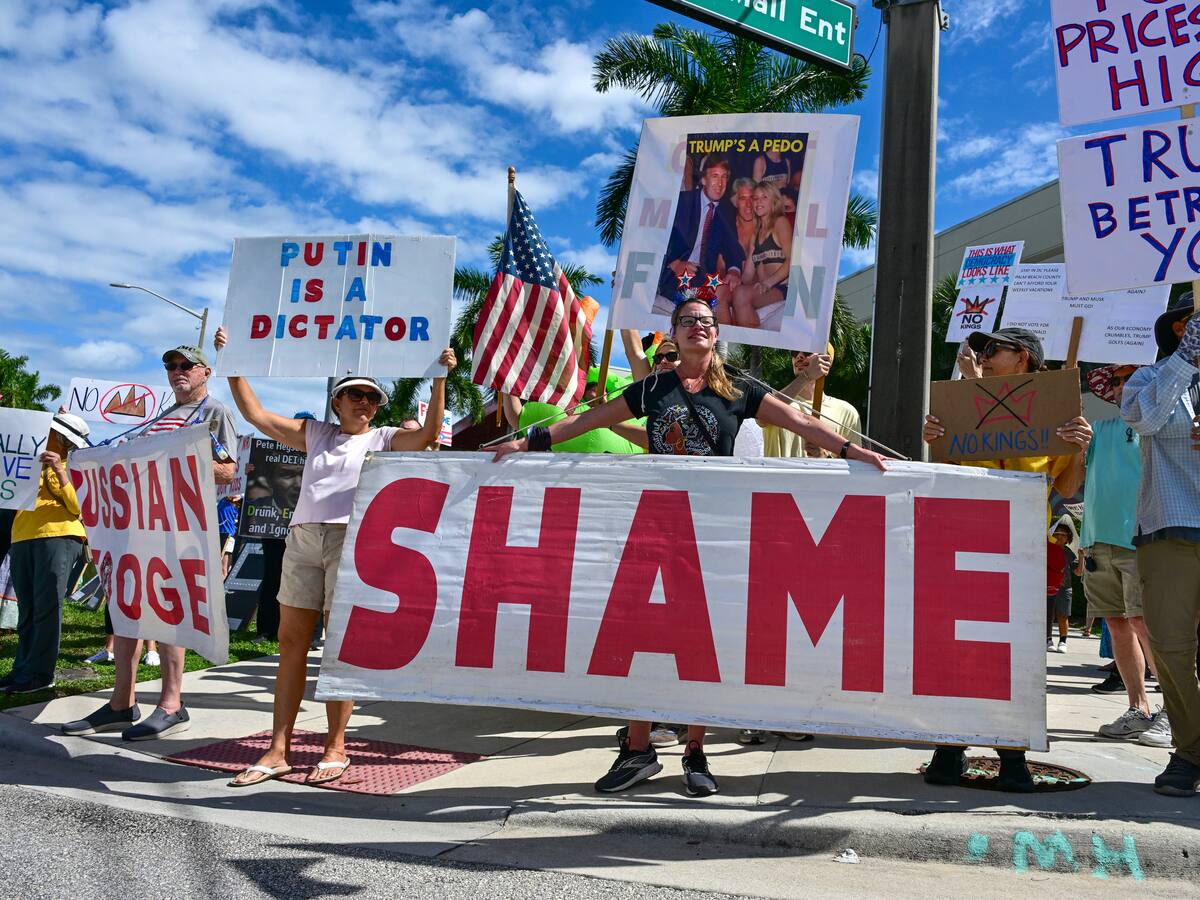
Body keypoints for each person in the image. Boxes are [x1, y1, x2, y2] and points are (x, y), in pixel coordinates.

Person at [494, 298, 889, 796]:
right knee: (639, 639)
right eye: (688, 321)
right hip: (658, 529)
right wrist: (526, 442)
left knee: (703, 645)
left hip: (713, 534)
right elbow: (589, 421)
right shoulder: (653, 387)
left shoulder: (739, 387)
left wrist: (854, 451)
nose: (697, 327)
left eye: (706, 321)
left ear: (716, 334)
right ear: (675, 333)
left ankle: (695, 752)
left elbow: (801, 423)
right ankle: (636, 751)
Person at [218, 325, 457, 787]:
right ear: (338, 402)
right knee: (291, 644)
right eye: (355, 396)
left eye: (371, 397)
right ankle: (278, 749)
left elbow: (428, 435)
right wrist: (233, 362)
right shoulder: (316, 434)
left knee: (337, 650)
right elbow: (255, 414)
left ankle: (335, 746)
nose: (364, 403)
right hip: (303, 541)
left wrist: (440, 378)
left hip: (351, 543)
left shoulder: (384, 438)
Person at [922, 327, 1092, 792]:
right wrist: (935, 437)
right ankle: (949, 750)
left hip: (1021, 551)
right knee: (958, 653)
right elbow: (944, 472)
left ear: (1024, 359)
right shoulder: (960, 407)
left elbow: (1068, 488)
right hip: (964, 545)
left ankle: (1013, 758)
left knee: (1012, 660)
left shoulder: (1054, 412)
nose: (984, 356)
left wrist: (1079, 449)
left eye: (993, 349)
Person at [63, 344, 238, 739]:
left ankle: (172, 705)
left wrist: (169, 459)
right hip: (136, 532)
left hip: (178, 530)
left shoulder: (214, 412)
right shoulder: (159, 417)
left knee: (169, 612)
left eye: (186, 365)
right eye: (171, 366)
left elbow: (228, 471)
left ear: (205, 372)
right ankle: (120, 704)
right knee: (126, 612)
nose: (178, 371)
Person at [1121, 294, 1200, 797]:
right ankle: (1190, 752)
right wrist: (1188, 362)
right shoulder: (1146, 380)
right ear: (1179, 329)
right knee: (1171, 648)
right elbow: (1147, 420)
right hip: (1172, 529)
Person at [1079, 365, 1168, 745]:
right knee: (1117, 624)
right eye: (1115, 381)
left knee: (1147, 626)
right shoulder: (1098, 428)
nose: (1120, 387)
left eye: (1128, 379)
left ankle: (1175, 712)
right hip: (1099, 539)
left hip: (1142, 539)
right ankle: (1139, 708)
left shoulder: (1158, 426)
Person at [1, 413, 91, 694]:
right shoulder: (27, 461)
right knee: (27, 610)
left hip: (59, 536)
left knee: (47, 607)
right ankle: (22, 670)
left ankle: (41, 674)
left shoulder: (77, 465)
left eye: (52, 431)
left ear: (63, 439)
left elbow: (81, 506)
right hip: (22, 536)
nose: (45, 433)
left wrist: (61, 473)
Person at [659, 155, 745, 325]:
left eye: (724, 177)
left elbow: (733, 249)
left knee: (730, 291)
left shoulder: (726, 211)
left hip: (704, 275)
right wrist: (675, 263)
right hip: (673, 273)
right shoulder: (682, 202)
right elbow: (658, 238)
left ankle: (719, 347)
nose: (720, 183)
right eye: (715, 176)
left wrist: (734, 270)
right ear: (704, 180)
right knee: (719, 292)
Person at [762, 348, 860, 459]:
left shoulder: (846, 412)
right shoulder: (774, 401)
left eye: (807, 351)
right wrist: (807, 376)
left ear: (826, 360)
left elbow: (854, 467)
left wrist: (825, 457)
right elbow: (762, 417)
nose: (799, 356)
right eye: (794, 352)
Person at [731, 182, 792, 329]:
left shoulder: (780, 222)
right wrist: (733, 280)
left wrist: (768, 283)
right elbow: (748, 274)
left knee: (741, 295)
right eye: (755, 198)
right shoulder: (755, 235)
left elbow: (792, 261)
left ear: (774, 202)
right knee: (734, 292)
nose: (758, 201)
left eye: (764, 197)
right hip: (765, 290)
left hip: (783, 287)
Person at [1045, 519, 1076, 653]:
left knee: (1063, 615)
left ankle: (1063, 641)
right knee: (1048, 614)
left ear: (1068, 537)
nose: (1060, 537)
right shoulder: (1047, 549)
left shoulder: (1069, 552)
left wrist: (1081, 558)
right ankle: (1048, 639)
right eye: (1057, 533)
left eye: (1063, 535)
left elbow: (1077, 571)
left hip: (1065, 587)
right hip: (1050, 586)